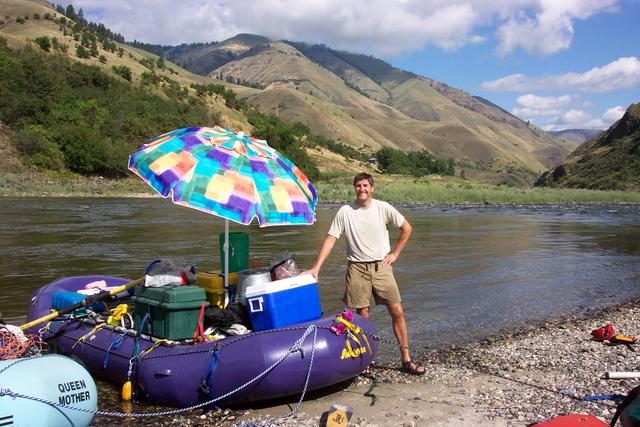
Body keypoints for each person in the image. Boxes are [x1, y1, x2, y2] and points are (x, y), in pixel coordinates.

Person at [306, 172, 425, 375]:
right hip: (357, 268)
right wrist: (316, 268)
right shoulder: (345, 211)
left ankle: (406, 359)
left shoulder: (383, 208)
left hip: (381, 267)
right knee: (363, 315)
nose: (362, 189)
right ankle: (366, 360)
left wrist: (395, 254)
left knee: (397, 311)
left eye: (365, 186)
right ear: (355, 188)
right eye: (358, 186)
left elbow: (406, 228)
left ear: (372, 188)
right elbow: (330, 239)